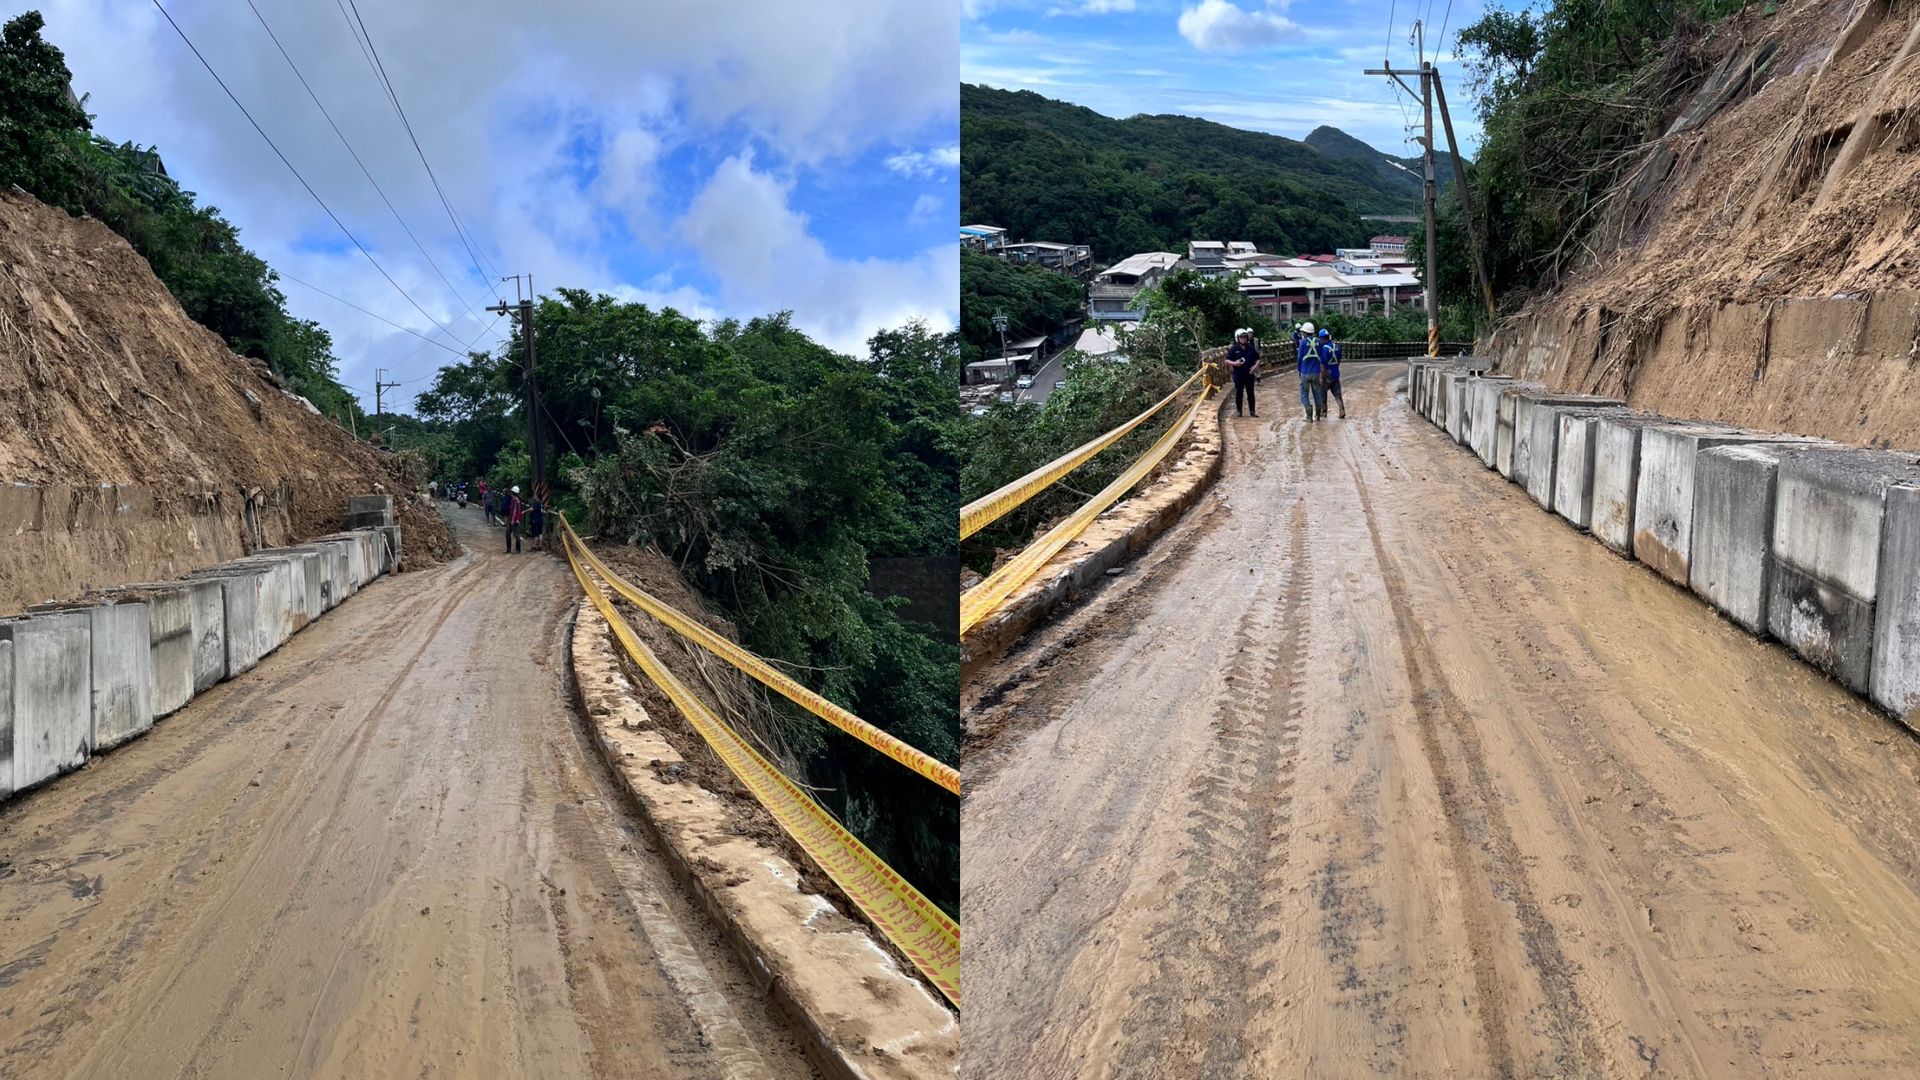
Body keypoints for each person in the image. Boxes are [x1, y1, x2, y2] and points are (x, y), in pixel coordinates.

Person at [1296, 321, 1327, 421]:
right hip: (1315, 372)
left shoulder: (1303, 342)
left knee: (1304, 394)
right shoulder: (1318, 342)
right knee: (1317, 393)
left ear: (1305, 333)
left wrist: (1299, 370)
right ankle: (1317, 416)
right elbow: (1322, 357)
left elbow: (1299, 358)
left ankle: (1309, 416)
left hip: (1305, 372)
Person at [1225, 328, 1259, 418]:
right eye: (1241, 337)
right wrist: (1234, 363)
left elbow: (1258, 358)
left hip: (1249, 374)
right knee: (1239, 393)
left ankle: (1252, 411)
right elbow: (1227, 360)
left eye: (1245, 337)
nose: (1243, 339)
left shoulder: (1250, 347)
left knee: (1250, 393)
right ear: (1238, 338)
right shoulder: (1234, 348)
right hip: (1238, 374)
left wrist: (1255, 366)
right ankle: (1239, 411)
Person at [1320, 327, 1346, 419]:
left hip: (1327, 374)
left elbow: (1323, 365)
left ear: (1323, 338)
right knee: (1337, 394)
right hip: (1335, 373)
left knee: (1322, 393)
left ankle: (1323, 412)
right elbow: (1339, 361)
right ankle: (1341, 409)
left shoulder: (1324, 349)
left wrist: (1322, 378)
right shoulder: (1337, 347)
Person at [504, 485, 523, 553]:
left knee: (516, 535)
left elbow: (515, 510)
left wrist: (512, 519)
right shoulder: (514, 499)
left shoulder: (515, 500)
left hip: (515, 520)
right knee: (508, 534)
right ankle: (509, 549)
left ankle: (518, 549)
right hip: (512, 519)